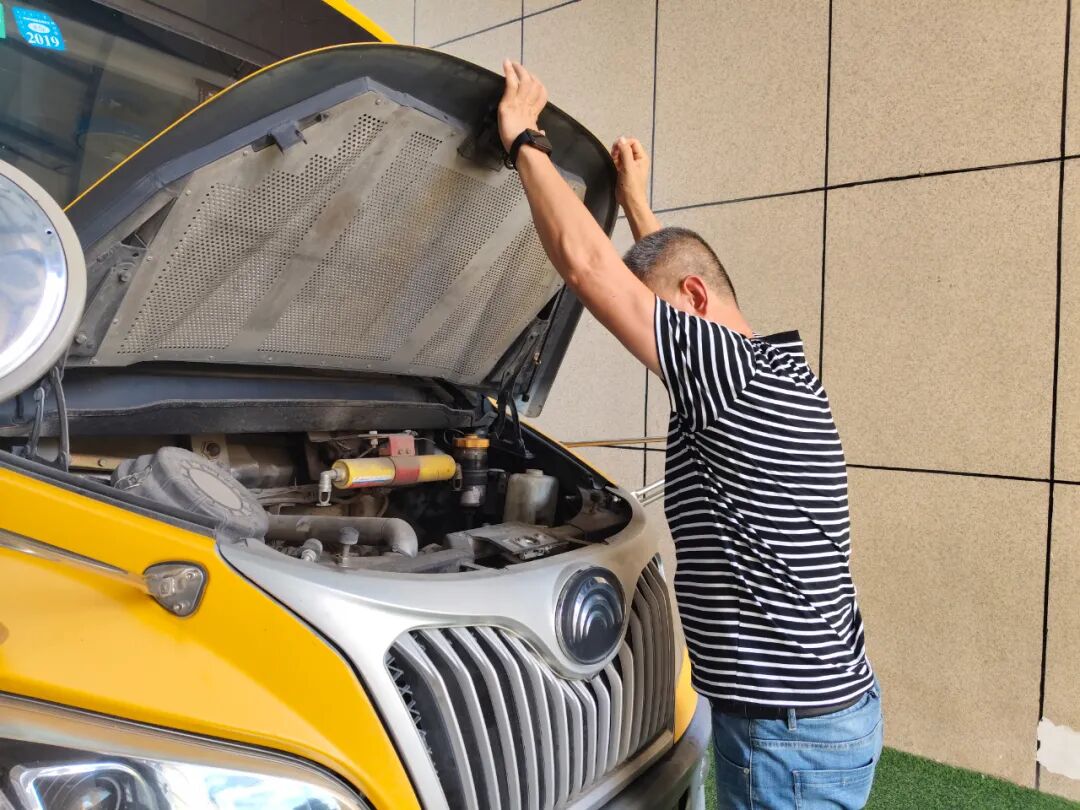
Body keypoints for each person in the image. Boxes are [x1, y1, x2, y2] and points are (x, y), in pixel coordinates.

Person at [496, 60, 882, 809]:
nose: (654, 342)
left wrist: (523, 141)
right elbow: (671, 278)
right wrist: (638, 206)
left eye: (666, 318)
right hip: (816, 715)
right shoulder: (766, 369)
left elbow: (587, 268)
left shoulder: (728, 376)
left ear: (695, 302)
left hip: (788, 738)